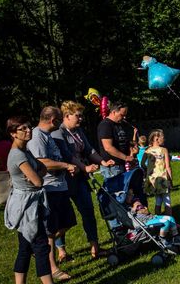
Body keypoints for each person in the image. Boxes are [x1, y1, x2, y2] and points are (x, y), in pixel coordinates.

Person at [51, 101, 114, 261]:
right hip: (64, 180)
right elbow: (66, 155)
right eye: (77, 116)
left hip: (79, 179)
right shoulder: (58, 132)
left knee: (88, 211)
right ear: (67, 116)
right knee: (60, 217)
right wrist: (84, 167)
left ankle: (95, 248)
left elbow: (89, 149)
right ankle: (61, 251)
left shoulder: (78, 131)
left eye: (81, 115)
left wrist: (102, 162)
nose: (81, 119)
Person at [27, 106, 77, 281]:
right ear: (53, 120)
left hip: (60, 186)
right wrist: (65, 165)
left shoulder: (48, 135)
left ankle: (38, 248)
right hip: (48, 189)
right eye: (60, 119)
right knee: (50, 231)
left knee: (69, 222)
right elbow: (42, 163)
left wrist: (65, 167)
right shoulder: (36, 136)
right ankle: (52, 267)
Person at [4, 116, 53, 284]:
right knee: (40, 245)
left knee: (25, 246)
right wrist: (36, 176)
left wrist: (36, 175)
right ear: (13, 133)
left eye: (29, 127)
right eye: (23, 129)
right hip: (25, 207)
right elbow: (39, 181)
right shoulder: (17, 155)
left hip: (31, 202)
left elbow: (43, 169)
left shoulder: (25, 151)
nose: (28, 130)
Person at [97, 101, 135, 179]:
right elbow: (108, 147)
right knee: (115, 191)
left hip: (122, 164)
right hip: (112, 167)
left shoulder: (120, 124)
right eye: (122, 115)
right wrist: (126, 157)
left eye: (125, 115)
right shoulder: (106, 125)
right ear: (114, 112)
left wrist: (132, 147)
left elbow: (123, 141)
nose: (124, 117)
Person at [141, 129, 173, 215]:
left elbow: (142, 164)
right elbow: (168, 166)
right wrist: (170, 179)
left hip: (153, 179)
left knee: (158, 201)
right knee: (167, 201)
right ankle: (170, 221)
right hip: (163, 178)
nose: (164, 139)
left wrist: (149, 172)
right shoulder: (164, 150)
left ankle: (158, 220)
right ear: (156, 139)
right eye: (162, 137)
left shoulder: (147, 150)